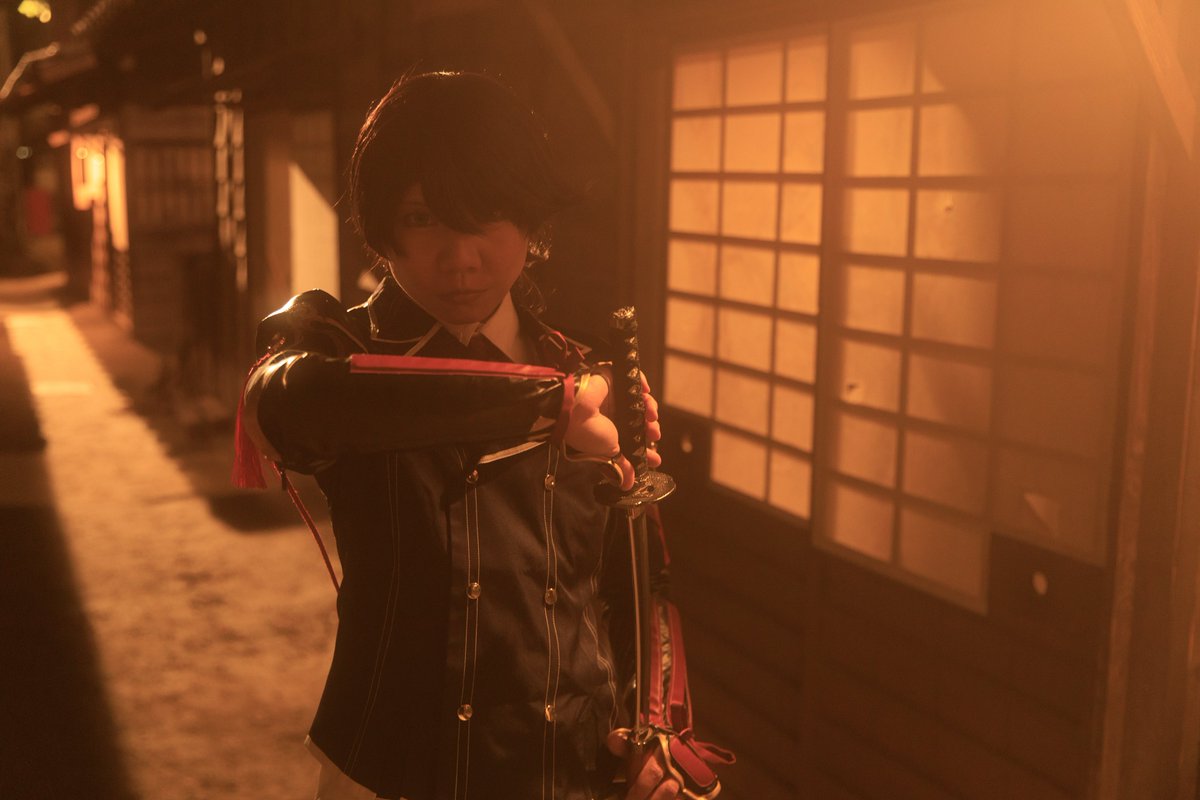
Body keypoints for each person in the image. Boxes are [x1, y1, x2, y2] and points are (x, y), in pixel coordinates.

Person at [234, 71, 728, 800]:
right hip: (390, 774)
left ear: (530, 220)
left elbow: (637, 584)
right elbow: (284, 411)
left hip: (568, 769)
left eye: (489, 215)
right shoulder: (341, 353)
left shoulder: (582, 368)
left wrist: (655, 730)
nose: (460, 256)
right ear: (381, 223)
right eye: (423, 217)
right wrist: (548, 407)